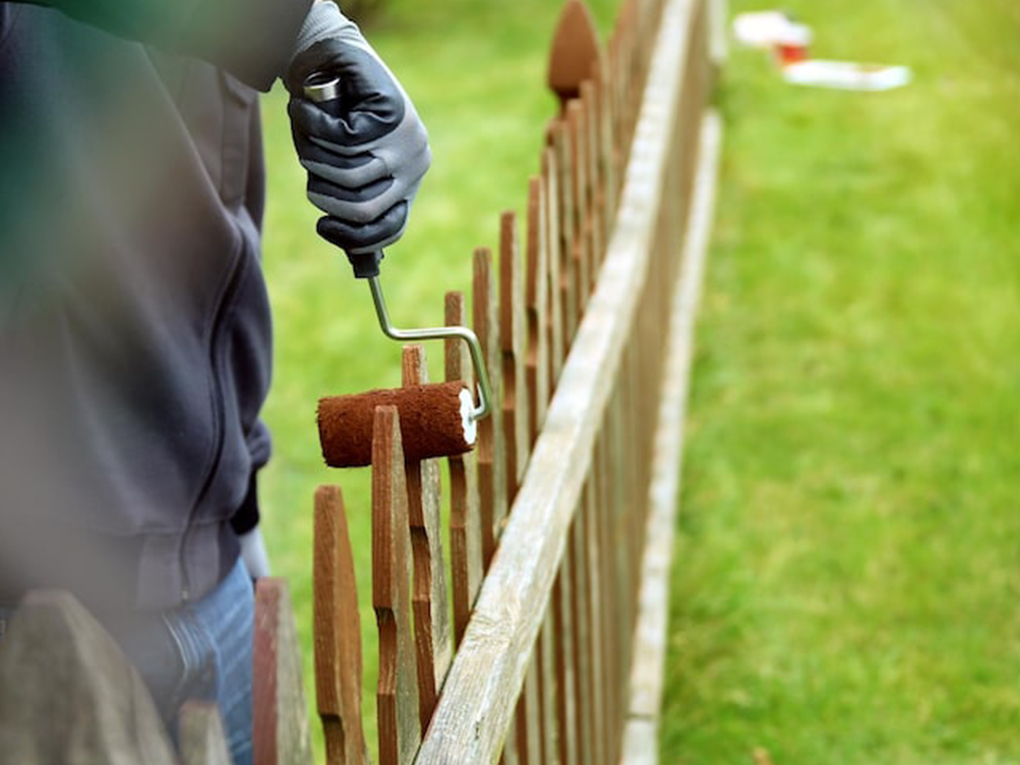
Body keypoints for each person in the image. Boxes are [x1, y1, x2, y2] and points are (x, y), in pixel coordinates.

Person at [0, 0, 429, 761]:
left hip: (213, 570)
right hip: (36, 599)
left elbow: (211, 185)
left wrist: (238, 489)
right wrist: (292, 25)